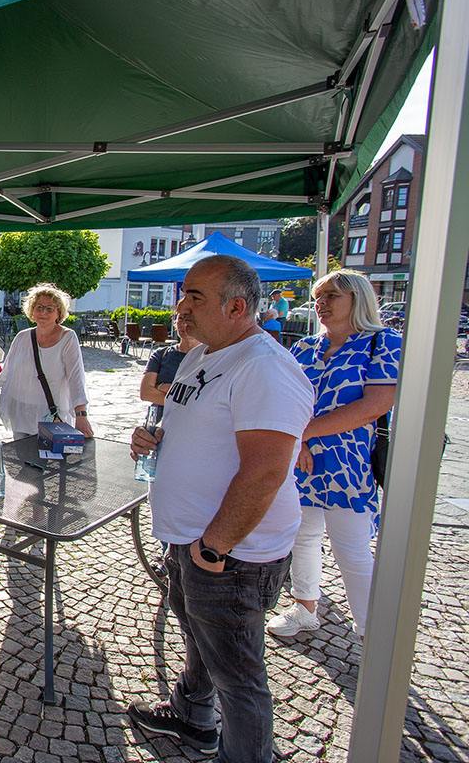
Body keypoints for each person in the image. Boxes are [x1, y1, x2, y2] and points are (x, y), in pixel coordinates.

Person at [126, 255, 314, 762]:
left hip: (231, 554)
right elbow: (199, 426)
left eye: (195, 297)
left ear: (236, 306)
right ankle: (192, 716)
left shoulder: (264, 367)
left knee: (240, 679)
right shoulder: (201, 355)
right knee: (200, 643)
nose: (180, 307)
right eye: (183, 293)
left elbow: (267, 471)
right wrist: (157, 436)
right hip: (190, 540)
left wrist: (215, 546)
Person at [267, 270, 400, 639]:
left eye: (332, 296)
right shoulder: (304, 347)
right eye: (318, 296)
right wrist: (301, 442)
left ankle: (372, 636)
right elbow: (285, 399)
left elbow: (374, 405)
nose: (321, 303)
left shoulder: (383, 342)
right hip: (301, 458)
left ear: (357, 299)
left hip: (349, 462)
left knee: (352, 549)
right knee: (302, 536)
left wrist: (304, 434)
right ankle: (305, 607)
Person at [0, 282, 91, 438]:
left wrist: (81, 415)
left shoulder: (67, 338)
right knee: (24, 460)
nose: (43, 312)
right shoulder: (22, 337)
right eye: (39, 307)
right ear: (32, 311)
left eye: (50, 308)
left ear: (58, 313)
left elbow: (76, 378)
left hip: (51, 415)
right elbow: (7, 375)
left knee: (53, 459)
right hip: (21, 413)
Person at [140, 313, 200, 406]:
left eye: (190, 320)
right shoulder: (161, 354)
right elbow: (145, 393)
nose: (184, 324)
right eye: (181, 319)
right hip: (161, 418)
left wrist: (162, 387)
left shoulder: (210, 357)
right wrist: (186, 401)